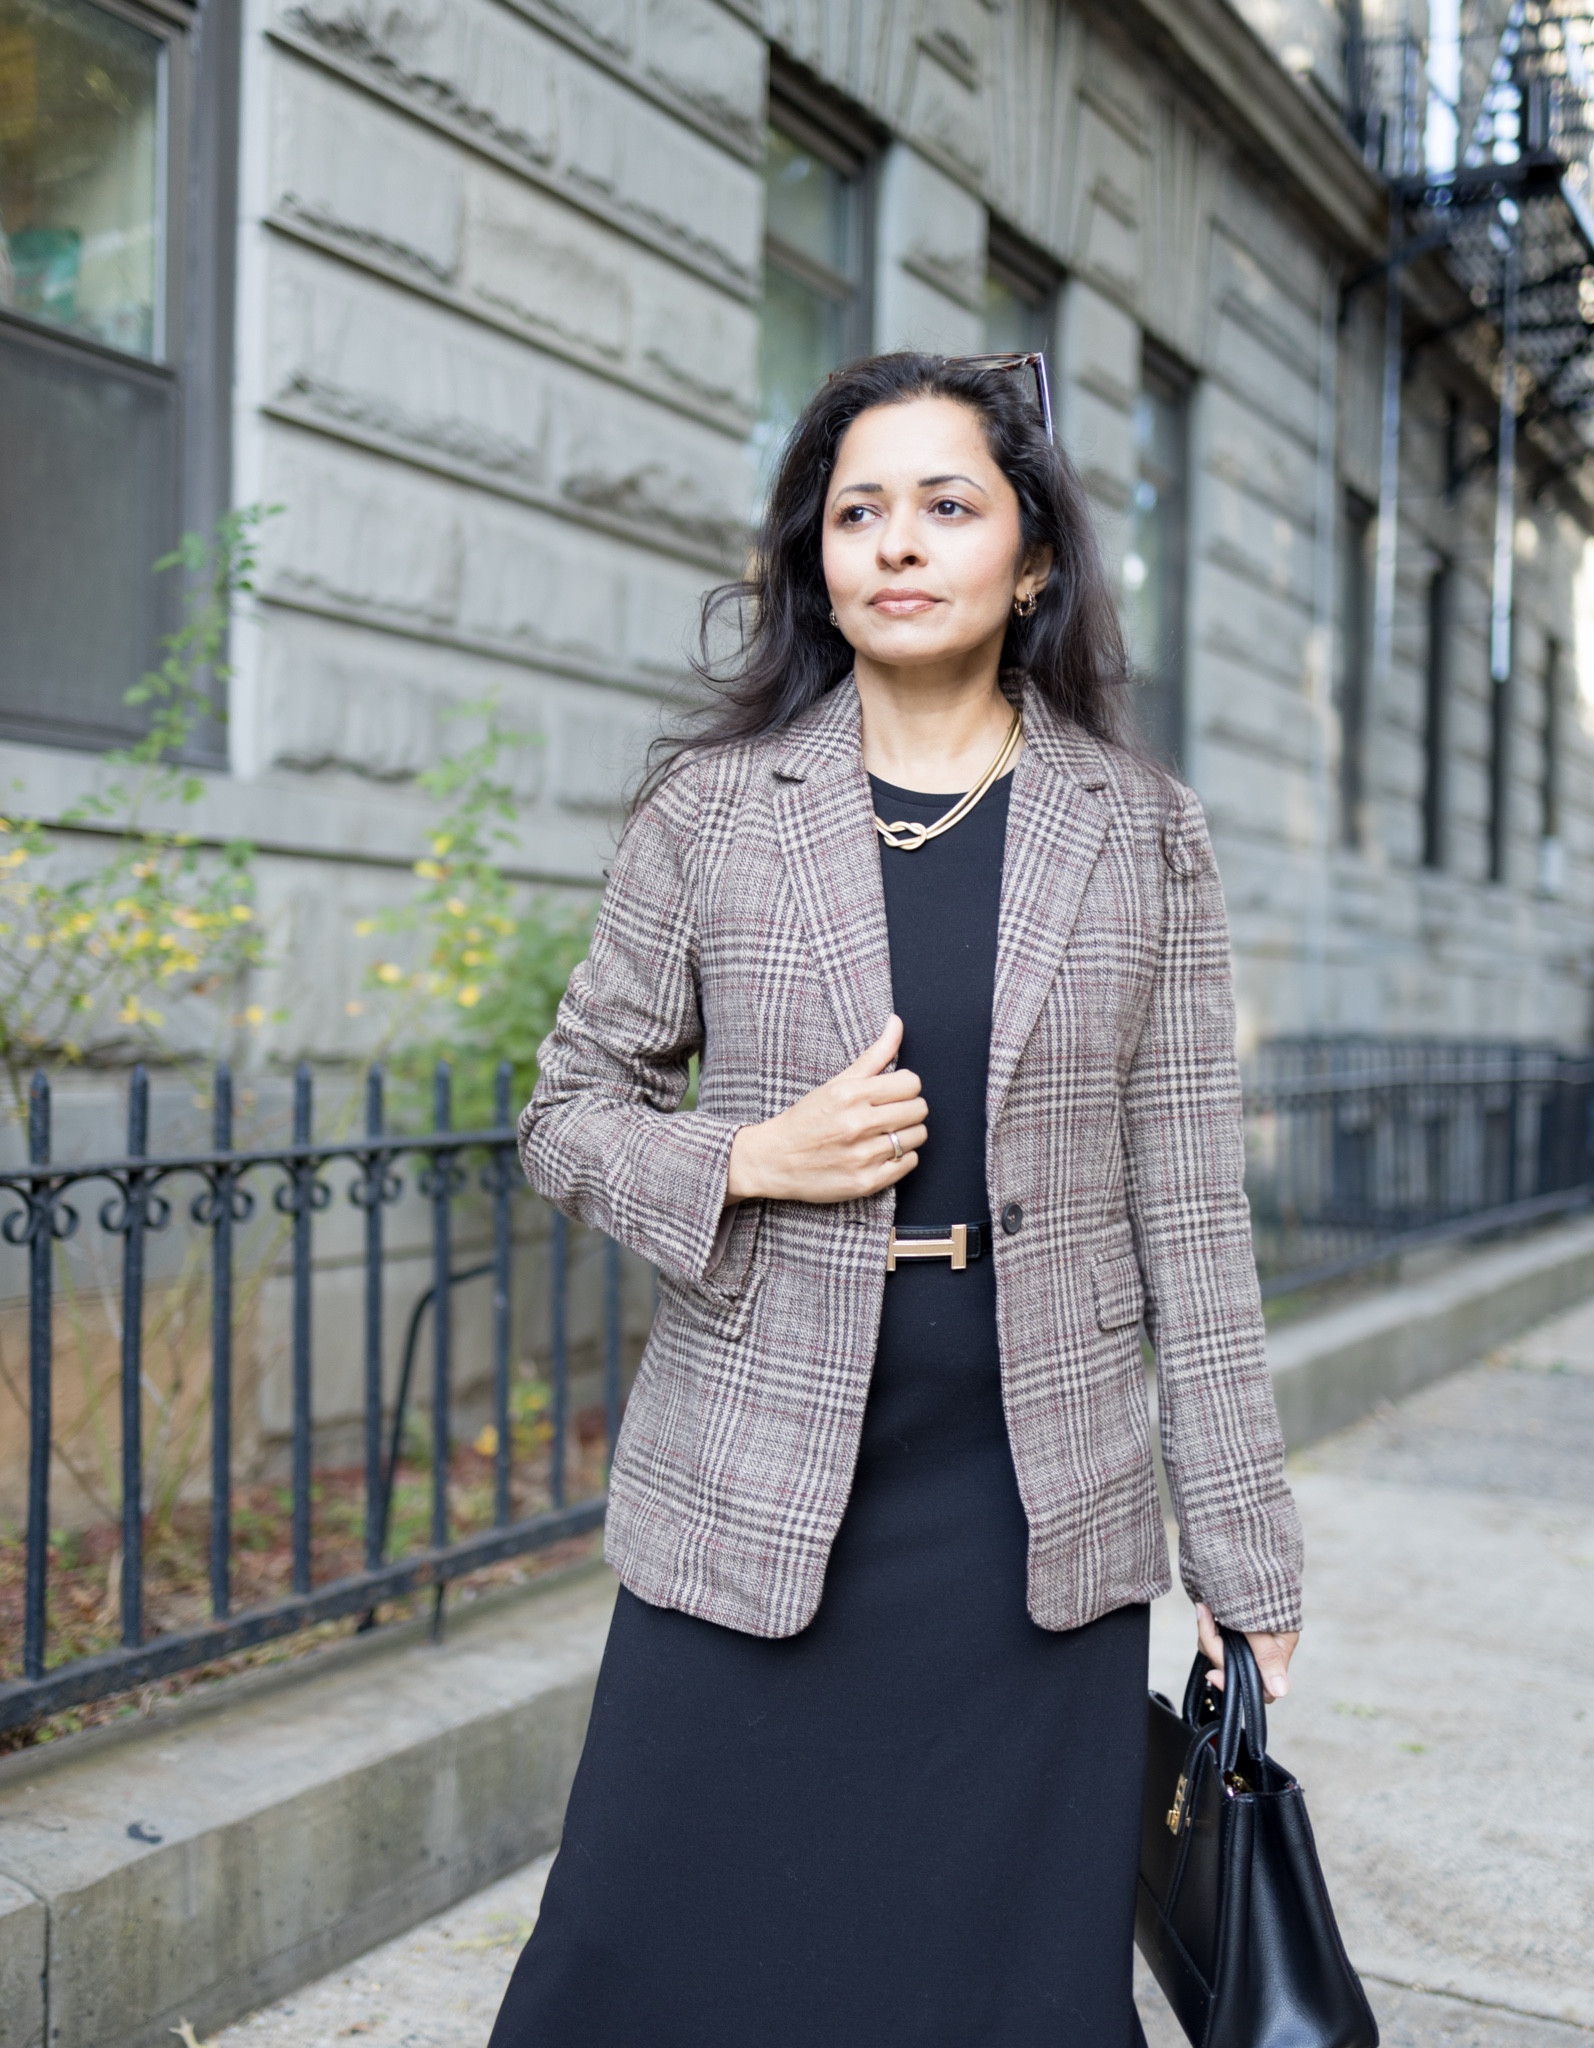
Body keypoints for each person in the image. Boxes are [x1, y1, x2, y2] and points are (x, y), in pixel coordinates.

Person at [486, 351, 1302, 2047]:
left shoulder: (1141, 832)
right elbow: (566, 1111)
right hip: (756, 1479)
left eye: (947, 505)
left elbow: (1192, 1220)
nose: (899, 543)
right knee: (640, 1967)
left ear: (1035, 559)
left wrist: (1243, 1557)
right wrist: (744, 1158)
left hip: (1034, 1507)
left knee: (999, 1991)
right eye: (859, 511)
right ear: (817, 555)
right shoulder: (716, 811)